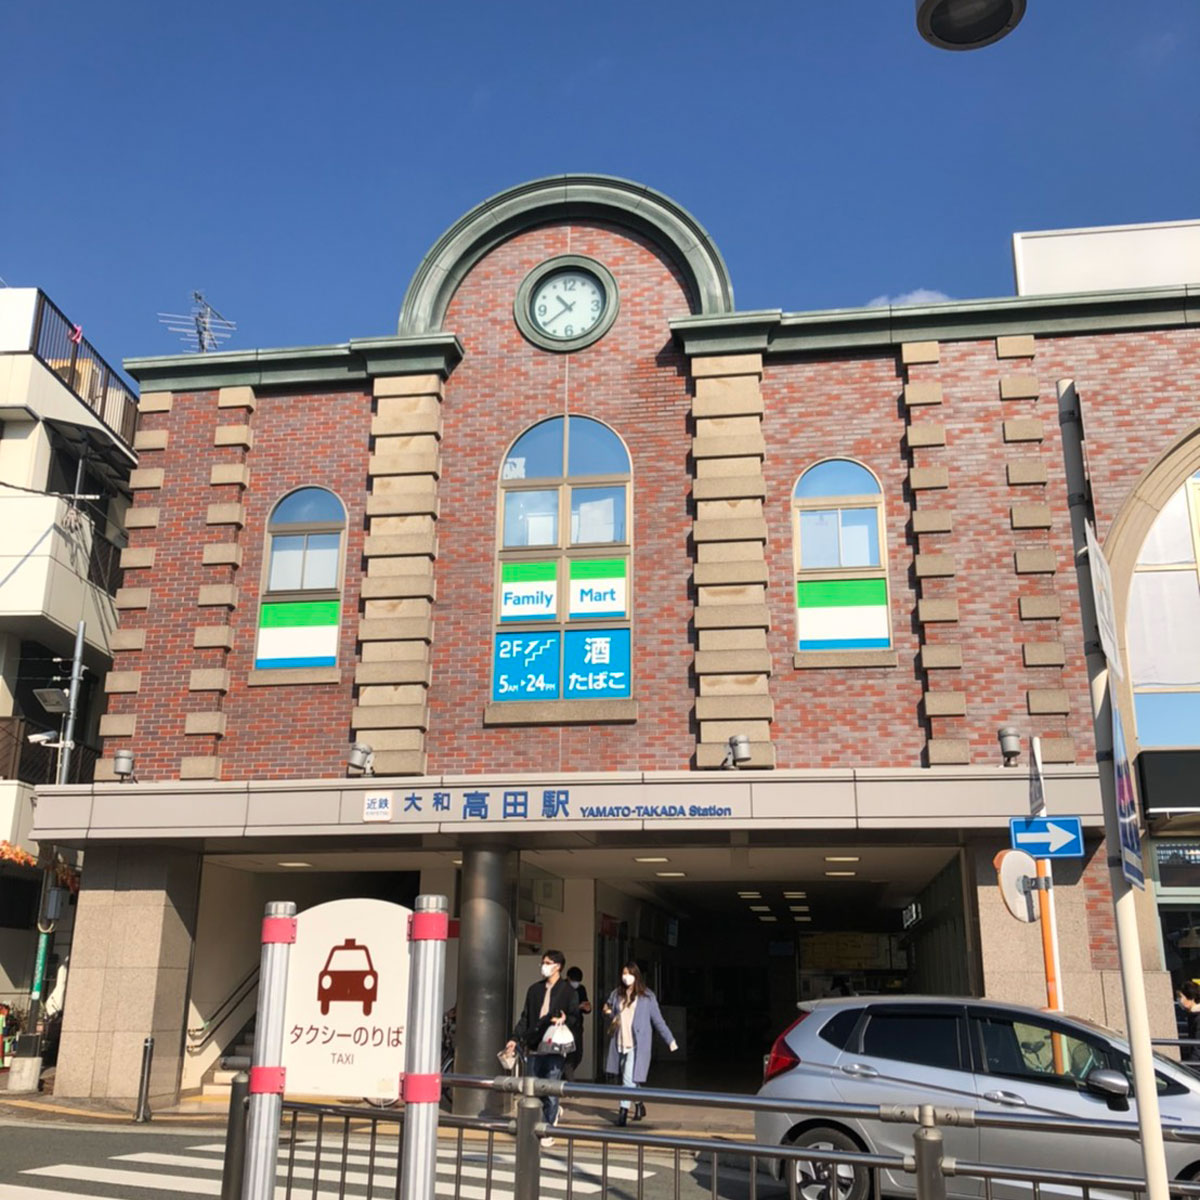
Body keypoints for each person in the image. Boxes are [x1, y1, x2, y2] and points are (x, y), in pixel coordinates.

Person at [505, 949, 579, 1139]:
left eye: (548, 963)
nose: (544, 967)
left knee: (551, 1088)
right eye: (543, 963)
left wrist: (564, 1020)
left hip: (554, 1046)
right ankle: (535, 1125)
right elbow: (526, 1017)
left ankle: (547, 1131)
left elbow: (574, 1017)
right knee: (533, 1089)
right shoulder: (534, 990)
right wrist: (514, 1038)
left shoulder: (568, 991)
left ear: (558, 966)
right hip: (534, 1044)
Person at [602, 962, 677, 1126]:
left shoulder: (647, 996)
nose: (625, 977)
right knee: (631, 1080)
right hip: (620, 1041)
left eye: (629, 973)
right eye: (623, 973)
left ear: (636, 976)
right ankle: (639, 1104)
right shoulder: (616, 994)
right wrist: (608, 1013)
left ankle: (622, 1113)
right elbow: (608, 1008)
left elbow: (658, 1020)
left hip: (637, 1044)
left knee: (627, 1079)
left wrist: (670, 1040)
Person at [564, 966, 591, 1080]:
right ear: (568, 978)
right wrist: (577, 1007)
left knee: (578, 1055)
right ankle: (569, 1083)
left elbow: (586, 1005)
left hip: (577, 1026)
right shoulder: (562, 988)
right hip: (564, 1027)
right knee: (569, 1057)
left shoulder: (581, 989)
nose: (576, 983)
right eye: (574, 981)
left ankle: (564, 1076)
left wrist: (587, 1008)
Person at [1177, 980, 1200, 1062]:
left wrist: (1191, 1065)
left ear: (1191, 998)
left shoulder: (1197, 1017)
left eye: (1181, 997)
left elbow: (1197, 1047)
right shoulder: (1192, 1015)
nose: (1179, 1000)